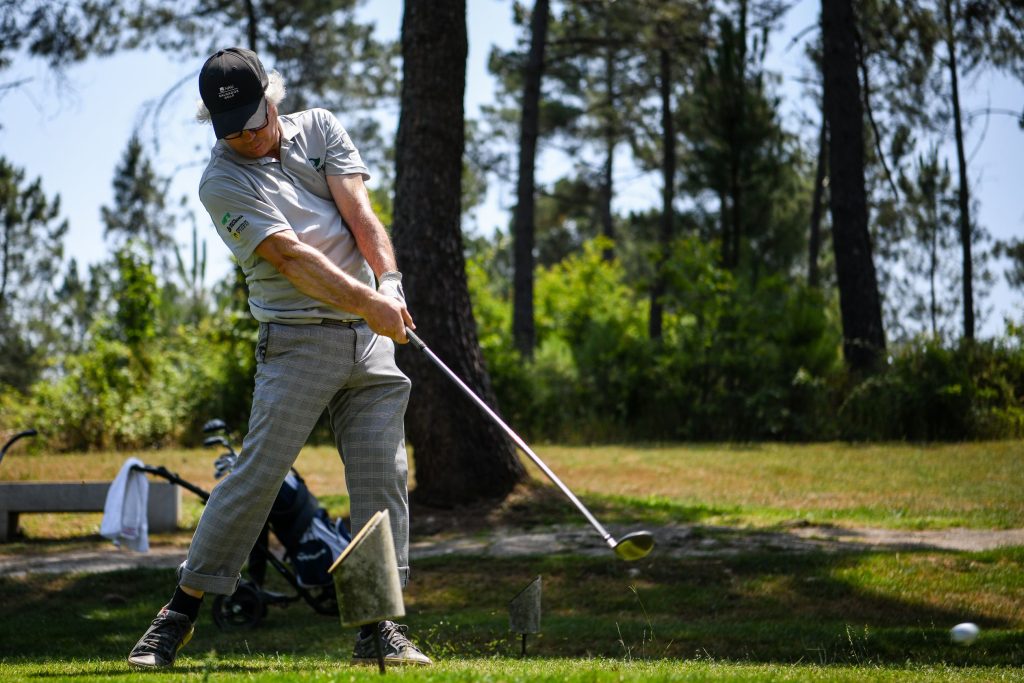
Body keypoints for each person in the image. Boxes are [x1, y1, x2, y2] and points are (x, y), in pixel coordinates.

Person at [127, 47, 431, 668]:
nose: (245, 137)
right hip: (297, 342)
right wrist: (369, 303)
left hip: (368, 339)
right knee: (258, 476)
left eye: (254, 120)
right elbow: (292, 260)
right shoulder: (222, 180)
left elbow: (360, 213)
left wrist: (390, 283)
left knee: (382, 475)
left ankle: (378, 627)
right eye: (229, 128)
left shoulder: (319, 127)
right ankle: (176, 615)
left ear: (273, 95)